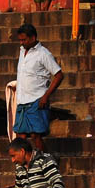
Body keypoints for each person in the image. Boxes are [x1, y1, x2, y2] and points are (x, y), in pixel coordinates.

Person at [14, 24, 62, 152]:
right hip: (22, 100)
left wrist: (46, 96)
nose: (22, 42)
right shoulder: (22, 51)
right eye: (20, 40)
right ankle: (25, 165)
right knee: (21, 136)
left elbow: (58, 75)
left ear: (33, 37)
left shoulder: (43, 54)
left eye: (24, 40)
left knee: (36, 135)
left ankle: (46, 162)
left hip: (37, 99)